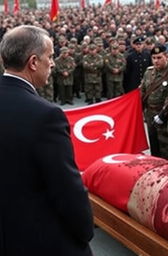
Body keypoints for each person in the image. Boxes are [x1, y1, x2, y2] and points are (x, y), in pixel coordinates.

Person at [0, 25, 94, 255]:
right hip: (35, 238)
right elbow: (66, 189)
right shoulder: (46, 116)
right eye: (50, 57)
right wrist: (85, 232)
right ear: (33, 62)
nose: (52, 63)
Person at [141, 44, 168, 160]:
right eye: (154, 58)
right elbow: (143, 92)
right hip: (150, 116)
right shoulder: (149, 72)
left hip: (165, 118)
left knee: (166, 151)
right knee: (154, 149)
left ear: (167, 56)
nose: (156, 61)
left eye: (159, 58)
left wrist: (163, 115)